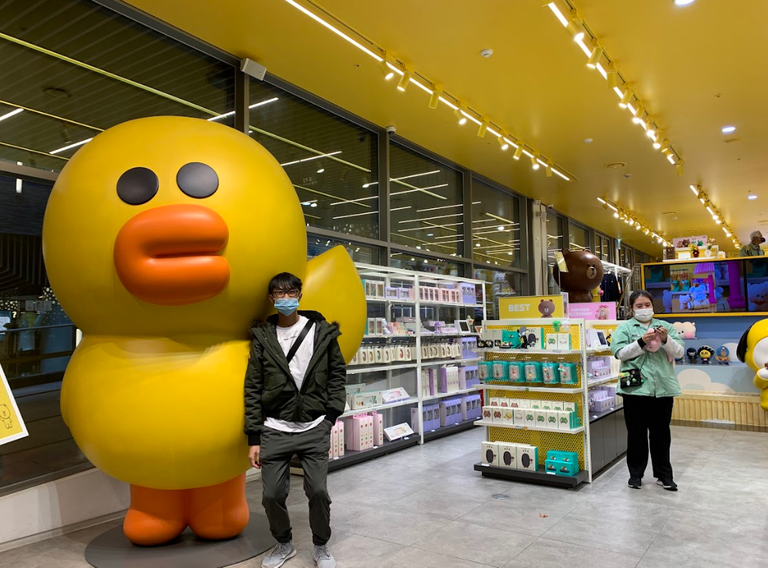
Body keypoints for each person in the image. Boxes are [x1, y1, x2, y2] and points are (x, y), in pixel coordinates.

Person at [245, 273, 346, 568]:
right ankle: (284, 544)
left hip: (314, 426)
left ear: (300, 295)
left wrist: (330, 416)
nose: (286, 298)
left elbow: (338, 375)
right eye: (279, 293)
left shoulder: (322, 332)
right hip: (275, 428)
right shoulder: (263, 337)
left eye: (291, 292)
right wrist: (254, 437)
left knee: (318, 491)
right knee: (271, 495)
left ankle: (321, 545)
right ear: (271, 298)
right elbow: (252, 386)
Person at [611, 290, 684, 491]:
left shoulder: (666, 326)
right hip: (635, 390)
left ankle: (664, 475)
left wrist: (666, 339)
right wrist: (641, 341)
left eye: (647, 305)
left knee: (661, 435)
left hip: (663, 388)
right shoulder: (625, 328)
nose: (644, 309)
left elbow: (679, 352)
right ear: (631, 308)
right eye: (639, 306)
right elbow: (620, 353)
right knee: (636, 435)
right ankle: (635, 475)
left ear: (653, 306)